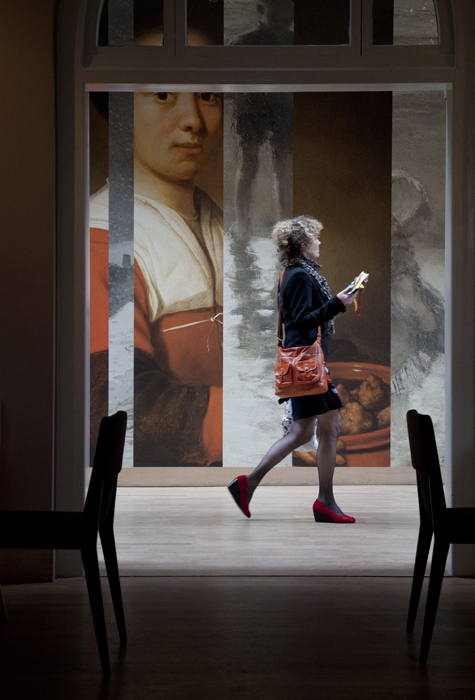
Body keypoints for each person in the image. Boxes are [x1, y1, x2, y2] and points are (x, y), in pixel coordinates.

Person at [90, 90, 223, 466]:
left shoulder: (221, 224)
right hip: (164, 486)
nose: (194, 120)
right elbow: (113, 404)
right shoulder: (102, 237)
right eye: (164, 95)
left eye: (207, 96)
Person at [228, 215, 359, 523]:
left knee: (302, 432)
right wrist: (338, 302)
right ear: (302, 244)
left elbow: (302, 317)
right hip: (308, 366)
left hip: (303, 365)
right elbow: (300, 320)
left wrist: (339, 300)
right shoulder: (299, 275)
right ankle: (325, 501)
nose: (320, 242)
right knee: (331, 427)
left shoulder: (296, 273)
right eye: (315, 238)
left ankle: (249, 483)